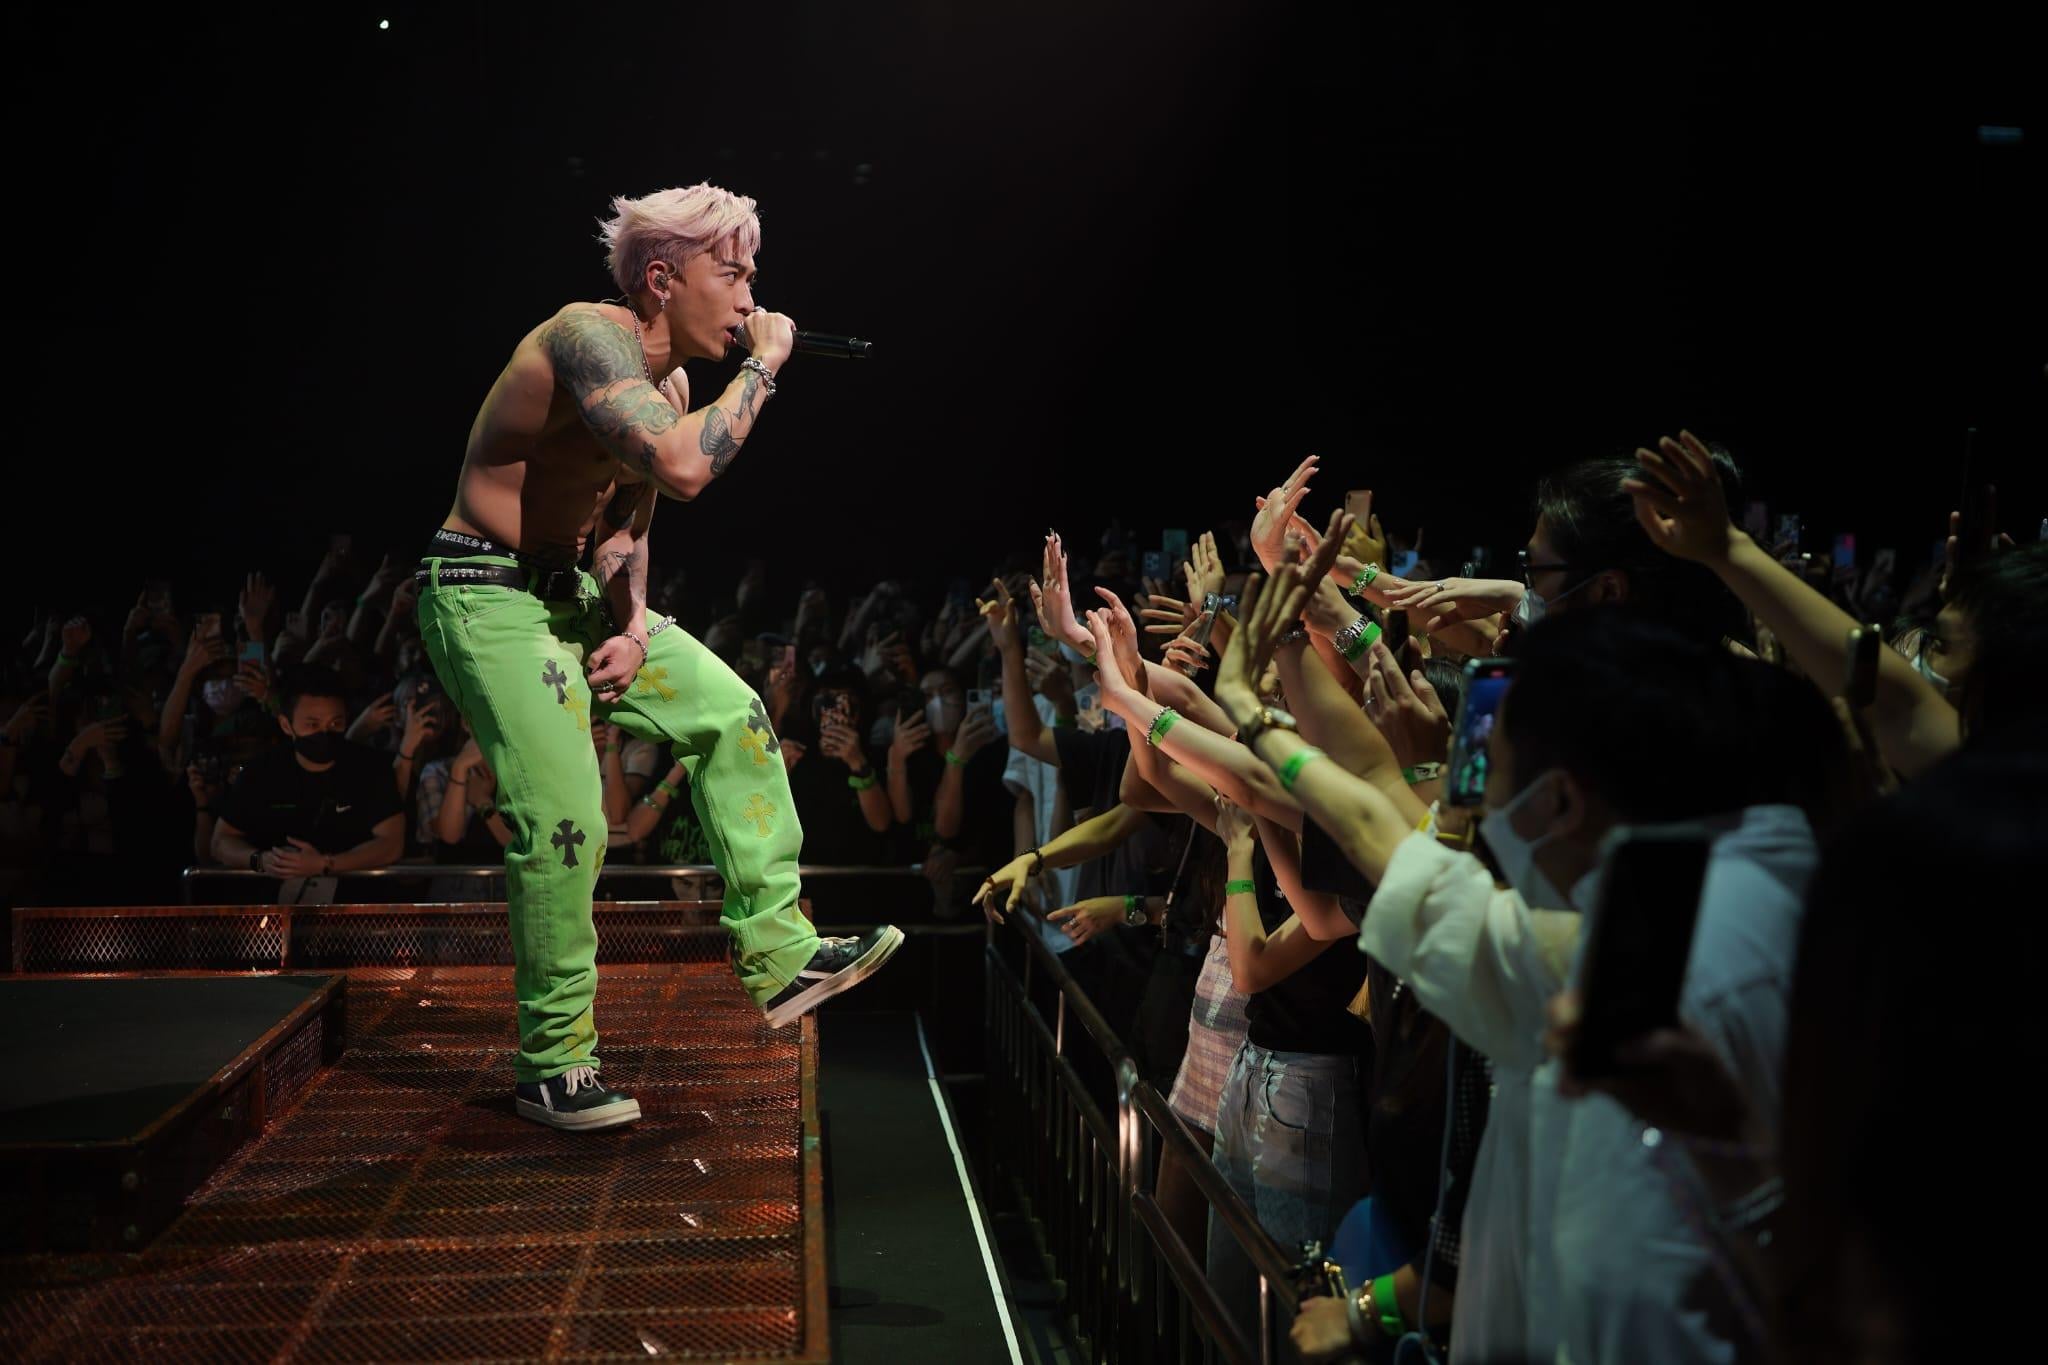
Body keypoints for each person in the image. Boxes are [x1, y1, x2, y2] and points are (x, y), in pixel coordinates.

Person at [415, 182, 900, 1132]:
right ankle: (554, 1064)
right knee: (568, 820)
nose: (752, 295)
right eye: (736, 273)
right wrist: (763, 368)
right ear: (664, 278)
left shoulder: (670, 387)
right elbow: (682, 467)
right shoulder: (586, 337)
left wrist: (635, 628)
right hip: (485, 591)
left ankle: (782, 955)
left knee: (733, 713)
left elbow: (626, 529)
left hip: (571, 593)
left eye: (753, 274)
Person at [210, 667, 407, 881]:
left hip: (353, 897)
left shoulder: (370, 768)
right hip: (274, 897)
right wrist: (262, 860)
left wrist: (326, 864)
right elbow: (221, 842)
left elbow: (391, 844)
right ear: (286, 725)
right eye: (312, 724)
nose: (325, 732)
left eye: (336, 723)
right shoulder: (261, 772)